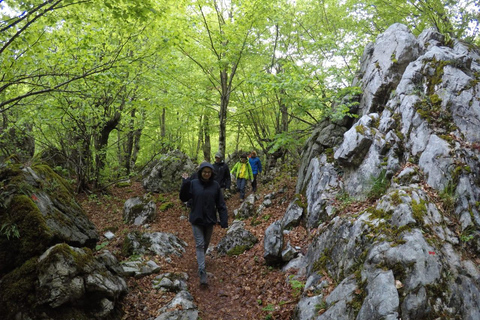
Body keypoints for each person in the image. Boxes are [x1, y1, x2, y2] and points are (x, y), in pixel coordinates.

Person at [179, 162, 228, 286]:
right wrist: (185, 183)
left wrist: (224, 220)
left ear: (211, 173)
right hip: (196, 219)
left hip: (210, 220)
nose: (206, 174)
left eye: (208, 172)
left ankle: (201, 261)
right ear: (200, 172)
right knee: (200, 244)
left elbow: (221, 204)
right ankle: (202, 271)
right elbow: (184, 198)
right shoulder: (193, 183)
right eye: (204, 172)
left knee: (205, 244)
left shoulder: (215, 186)